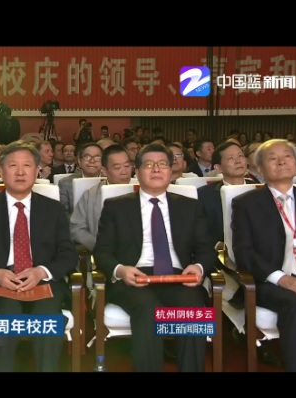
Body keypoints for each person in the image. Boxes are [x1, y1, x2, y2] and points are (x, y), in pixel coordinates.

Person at [0, 141, 78, 372]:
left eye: (27, 166)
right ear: (1, 172)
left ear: (37, 171)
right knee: (7, 314)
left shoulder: (53, 208)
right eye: (13, 166)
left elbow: (68, 255)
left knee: (47, 316)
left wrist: (41, 271)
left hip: (42, 282)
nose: (20, 172)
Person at [93, 143, 216, 372]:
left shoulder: (189, 206)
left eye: (162, 164)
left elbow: (207, 249)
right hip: (134, 278)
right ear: (137, 171)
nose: (156, 169)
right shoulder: (116, 207)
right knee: (148, 309)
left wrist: (199, 267)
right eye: (149, 165)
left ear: (171, 170)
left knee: (192, 308)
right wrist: (120, 270)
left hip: (178, 278)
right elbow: (102, 251)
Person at [231, 139, 296, 372]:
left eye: (287, 156)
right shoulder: (246, 204)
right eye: (272, 158)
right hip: (270, 280)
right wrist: (282, 279)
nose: (281, 161)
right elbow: (244, 252)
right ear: (259, 169)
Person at [70, 144, 132, 252]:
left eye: (127, 166)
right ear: (104, 170)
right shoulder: (90, 195)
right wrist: (100, 246)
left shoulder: (141, 191)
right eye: (117, 168)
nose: (124, 172)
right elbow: (76, 228)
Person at [59, 142, 103, 215]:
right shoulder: (65, 183)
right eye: (87, 157)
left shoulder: (110, 181)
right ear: (79, 161)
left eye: (97, 157)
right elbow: (63, 214)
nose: (92, 161)